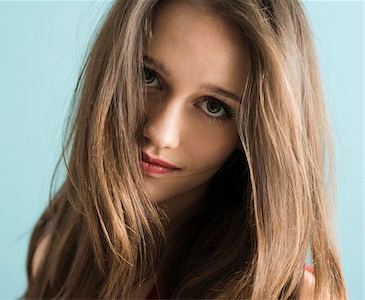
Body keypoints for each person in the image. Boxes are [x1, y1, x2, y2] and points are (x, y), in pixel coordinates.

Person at [21, 0, 347, 299]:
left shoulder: (294, 296)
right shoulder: (60, 250)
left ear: (255, 136)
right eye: (148, 76)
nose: (161, 134)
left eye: (214, 107)